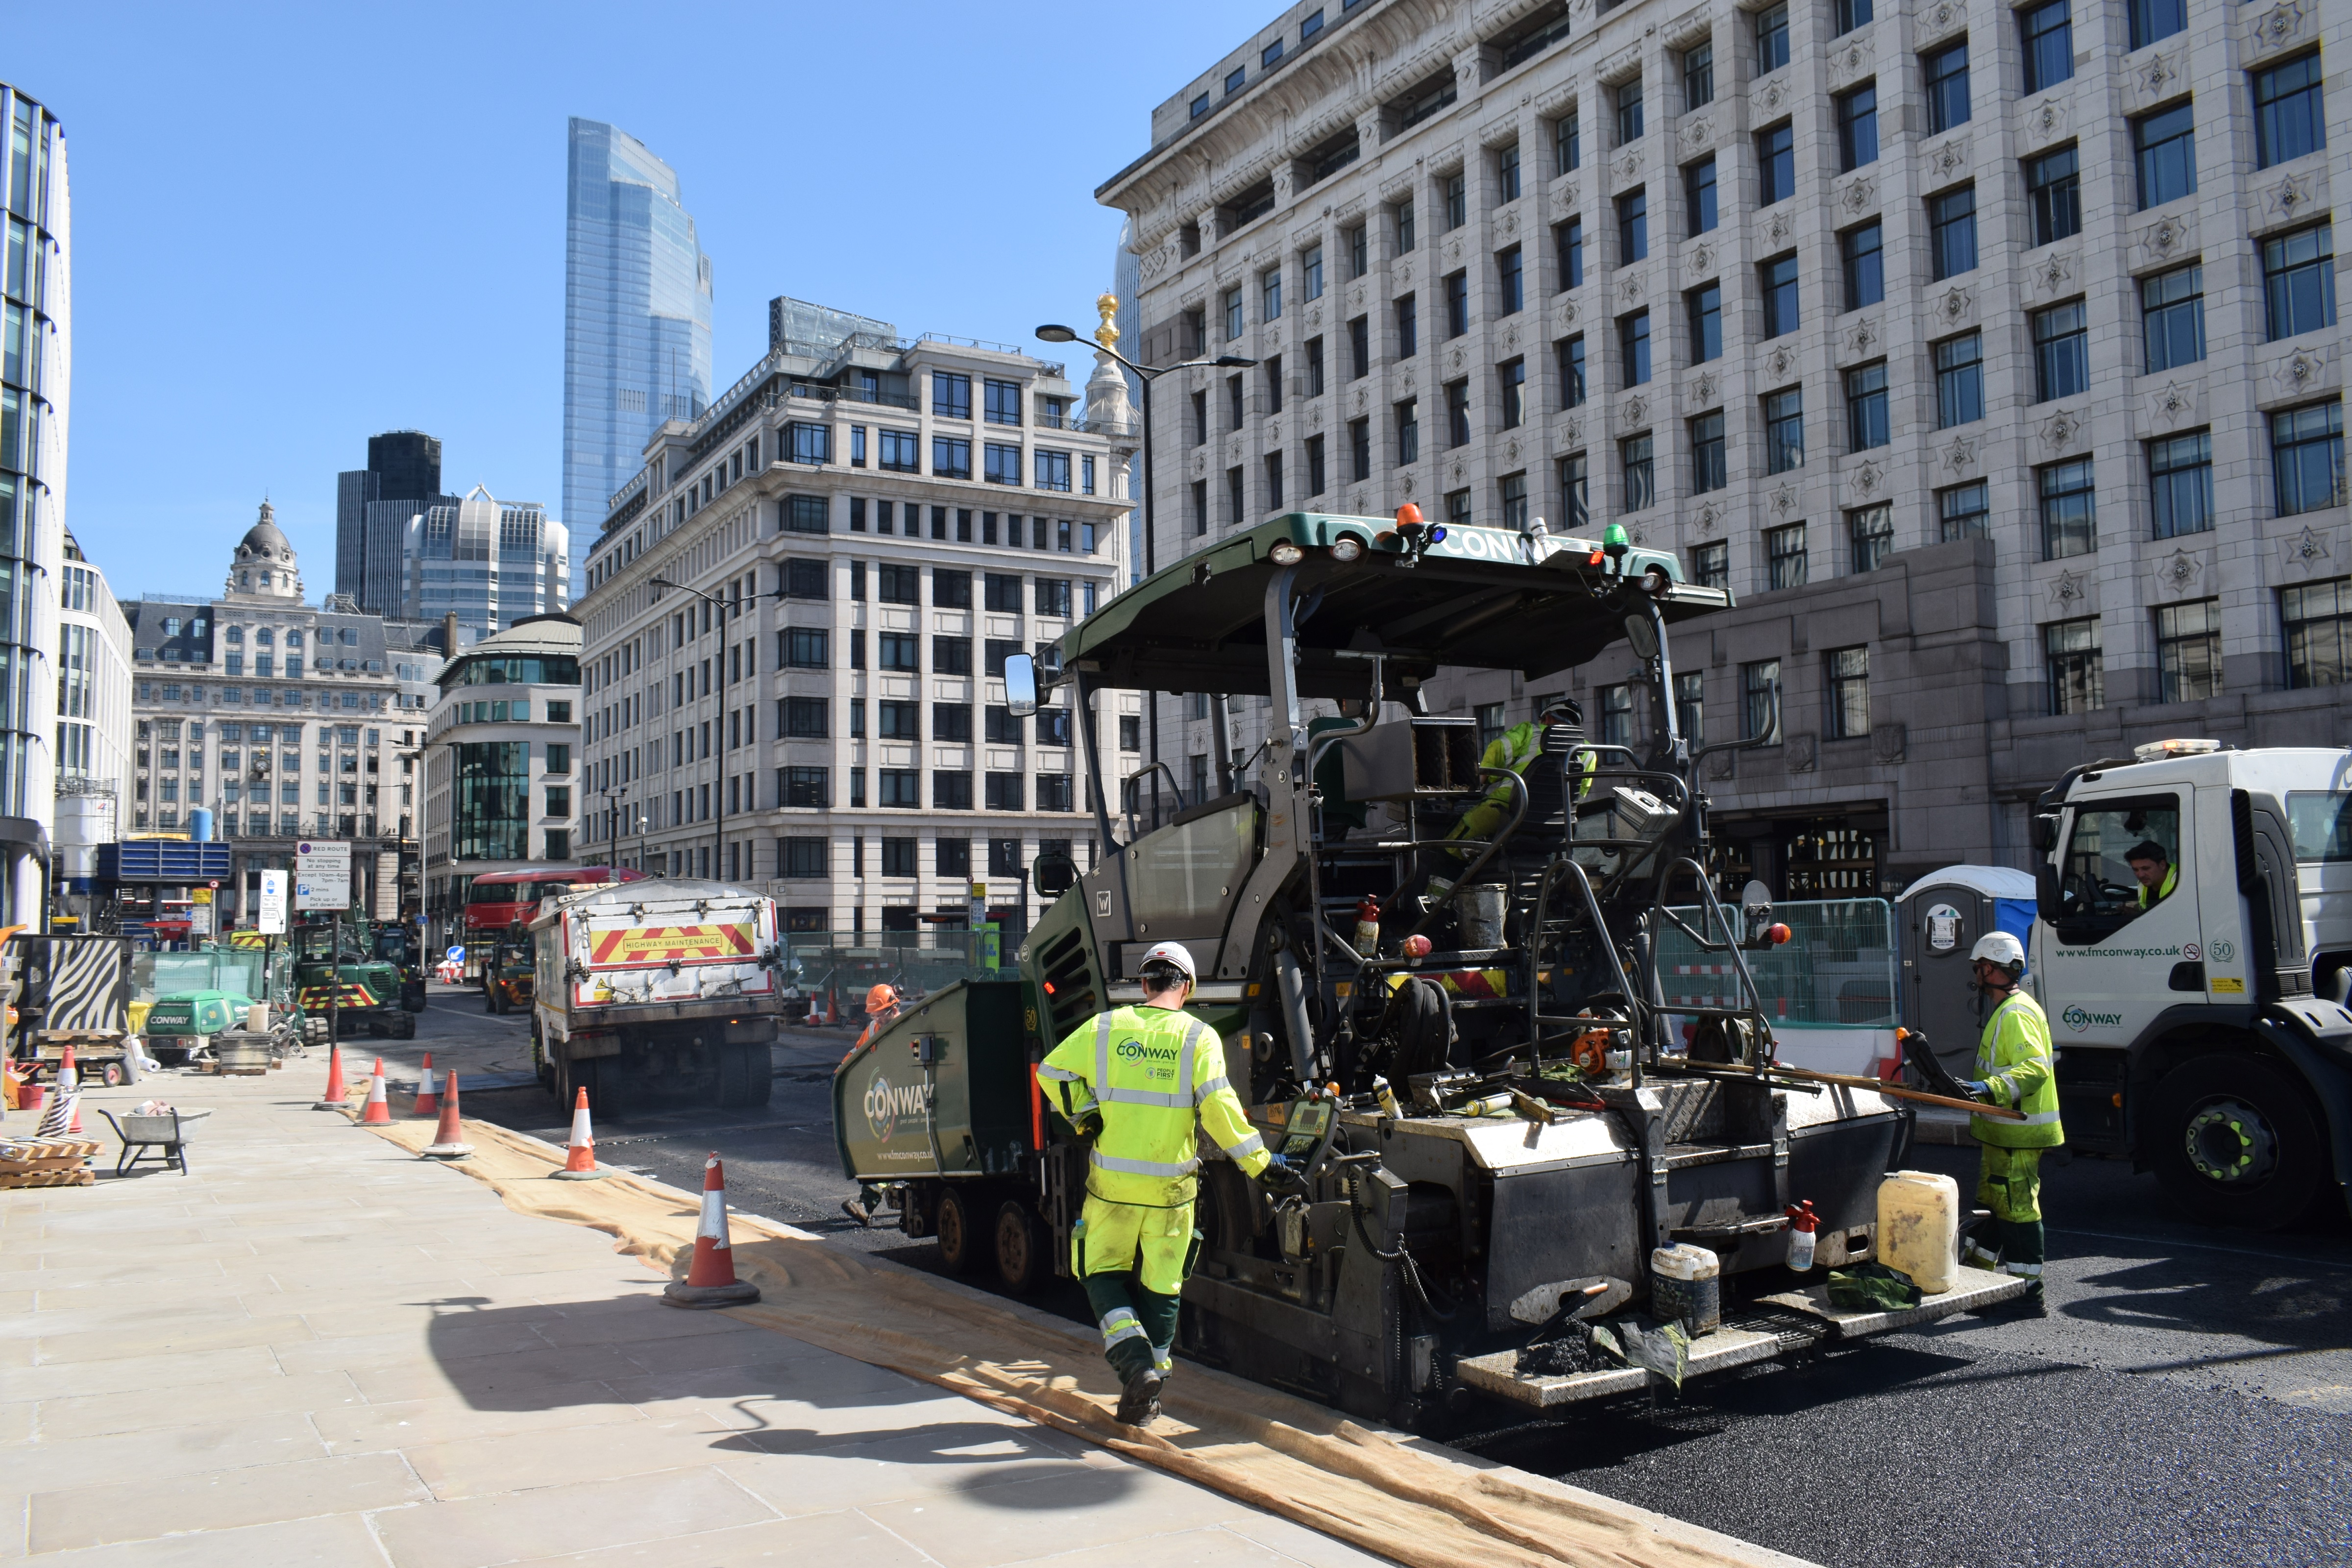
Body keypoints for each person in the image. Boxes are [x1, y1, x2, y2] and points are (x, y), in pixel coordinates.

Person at [1036, 940, 1294, 1426]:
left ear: (1144, 983)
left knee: (1100, 1272)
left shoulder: (1106, 1027)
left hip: (1111, 1190)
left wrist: (1085, 1114)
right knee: (1162, 1286)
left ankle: (1135, 1368)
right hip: (1172, 1195)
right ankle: (1151, 1387)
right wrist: (1262, 1164)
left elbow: (1051, 1070)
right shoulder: (1199, 1037)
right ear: (1188, 987)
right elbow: (1219, 1111)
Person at [1959, 931, 2064, 1312]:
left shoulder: (2016, 1013)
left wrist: (1987, 1087)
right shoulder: (2012, 1009)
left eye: (1980, 967)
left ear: (1991, 969)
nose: (1977, 973)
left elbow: (2034, 1068)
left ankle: (2026, 1295)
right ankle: (1978, 1280)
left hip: (2018, 1132)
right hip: (2003, 1131)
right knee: (1994, 1203)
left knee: (2018, 1209)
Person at [2126, 841, 2177, 910]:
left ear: (2162, 865)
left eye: (2146, 869)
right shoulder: (2144, 883)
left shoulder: (2179, 882)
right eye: (2136, 870)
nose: (2141, 875)